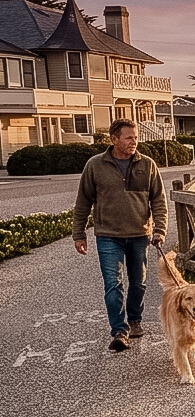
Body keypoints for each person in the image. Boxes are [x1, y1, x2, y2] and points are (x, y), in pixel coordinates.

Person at [73, 118, 167, 352]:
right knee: (113, 285)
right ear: (114, 139)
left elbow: (158, 200)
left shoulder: (147, 164)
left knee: (139, 284)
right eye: (128, 137)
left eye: (135, 137)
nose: (134, 142)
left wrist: (160, 229)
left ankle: (135, 319)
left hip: (139, 234)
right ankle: (119, 331)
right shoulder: (95, 165)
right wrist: (79, 234)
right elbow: (83, 201)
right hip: (107, 235)